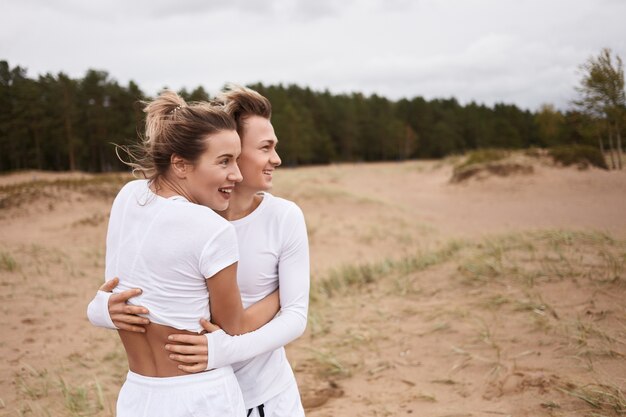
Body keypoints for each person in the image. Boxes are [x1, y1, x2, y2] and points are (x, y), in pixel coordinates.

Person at [88, 86, 310, 417]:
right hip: (203, 392)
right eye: (264, 148)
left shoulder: (282, 217)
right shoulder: (206, 226)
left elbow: (295, 317)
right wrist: (101, 308)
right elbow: (129, 286)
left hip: (263, 394)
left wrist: (223, 351)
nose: (276, 159)